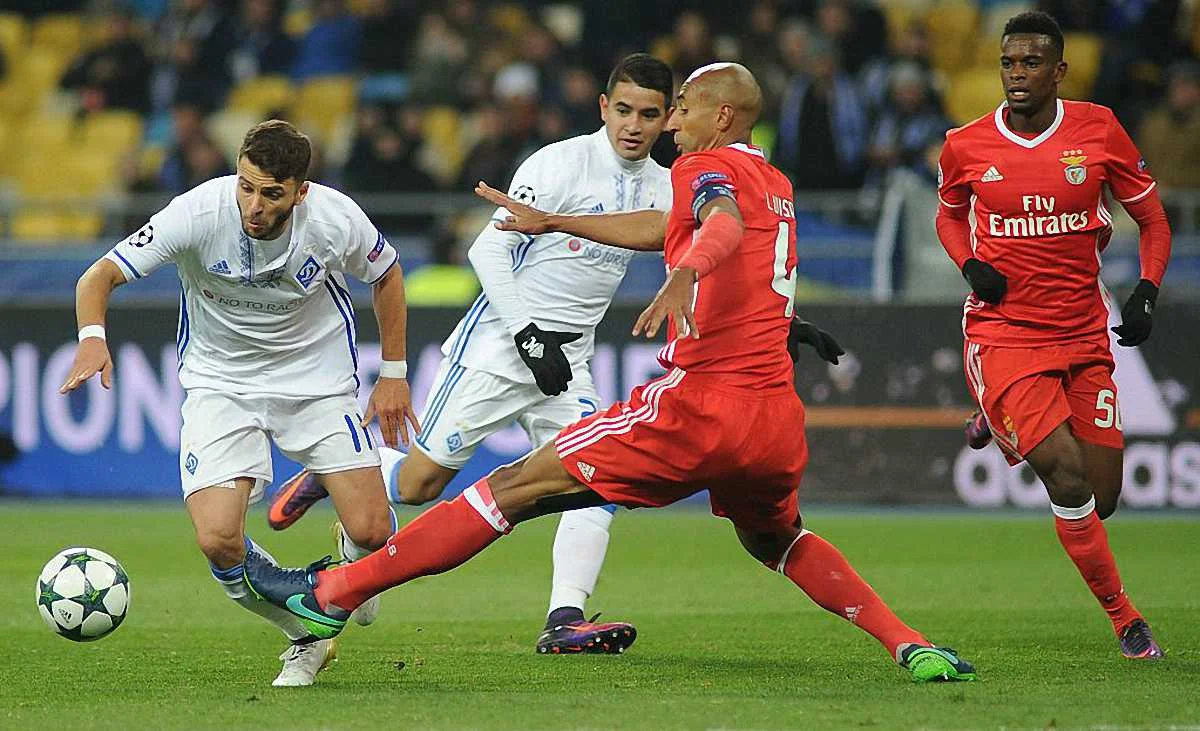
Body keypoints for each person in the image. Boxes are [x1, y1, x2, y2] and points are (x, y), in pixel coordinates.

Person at [244, 63, 976, 683]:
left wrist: (686, 271)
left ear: (721, 116)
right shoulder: (773, 182)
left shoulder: (702, 167)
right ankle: (909, 644)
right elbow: (677, 230)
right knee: (778, 539)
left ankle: (332, 593)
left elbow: (715, 225)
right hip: (770, 418)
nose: (670, 123)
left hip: (698, 408)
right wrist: (558, 223)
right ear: (606, 108)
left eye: (679, 109)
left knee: (512, 489)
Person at [266, 53, 677, 655]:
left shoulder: (668, 187)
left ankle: (564, 618)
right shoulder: (560, 163)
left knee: (599, 480)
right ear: (602, 108)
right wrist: (527, 334)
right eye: (623, 110)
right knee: (419, 484)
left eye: (648, 114)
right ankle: (341, 472)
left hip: (567, 365)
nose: (633, 125)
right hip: (498, 349)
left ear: (668, 119)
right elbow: (487, 250)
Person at [59, 120, 419, 686]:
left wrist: (393, 373)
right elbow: (98, 276)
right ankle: (306, 635)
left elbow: (388, 273)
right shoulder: (198, 213)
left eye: (272, 193)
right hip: (220, 383)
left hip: (317, 382)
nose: (254, 205)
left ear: (300, 191)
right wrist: (92, 339)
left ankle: (351, 548)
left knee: (375, 534)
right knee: (218, 540)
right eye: (246, 187)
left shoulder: (334, 219)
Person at [935, 12, 1170, 659]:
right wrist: (969, 264)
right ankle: (1126, 619)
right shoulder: (965, 145)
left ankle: (992, 417)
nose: (1017, 74)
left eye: (1031, 63)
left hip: (1083, 331)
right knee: (1067, 479)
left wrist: (1147, 290)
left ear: (1059, 70)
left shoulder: (1099, 131)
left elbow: (1153, 220)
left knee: (1103, 494)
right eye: (1009, 63)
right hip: (1005, 333)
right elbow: (948, 216)